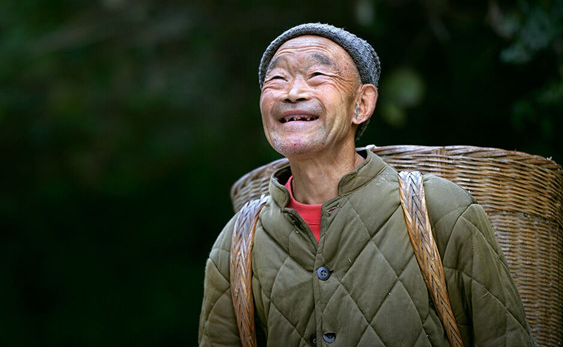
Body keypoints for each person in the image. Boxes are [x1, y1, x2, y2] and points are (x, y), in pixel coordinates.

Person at [198, 23, 534, 346]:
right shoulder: (238, 242)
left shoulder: (441, 210)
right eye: (277, 78)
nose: (293, 92)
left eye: (316, 75)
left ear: (361, 104)